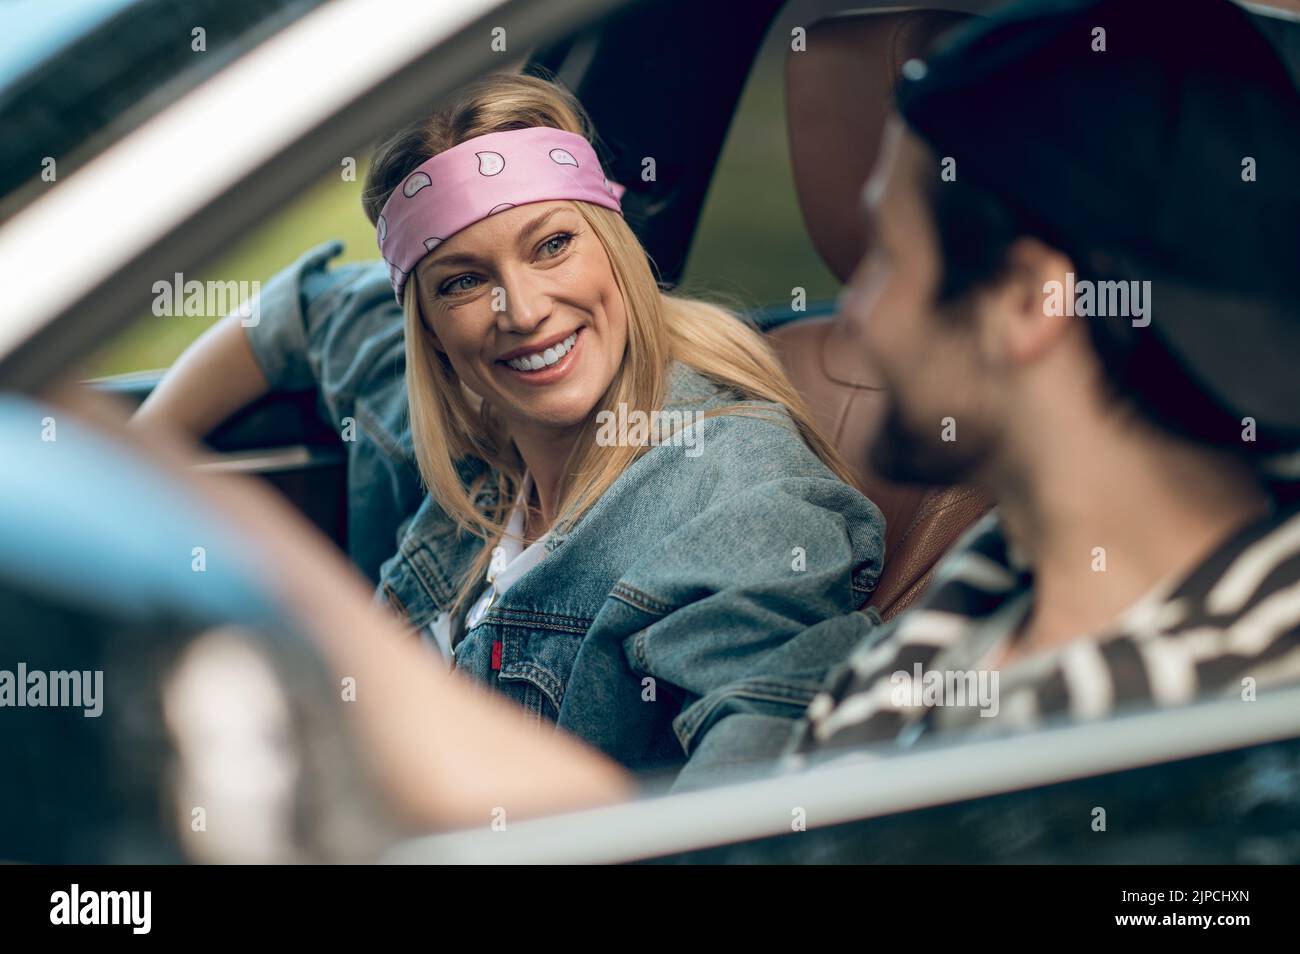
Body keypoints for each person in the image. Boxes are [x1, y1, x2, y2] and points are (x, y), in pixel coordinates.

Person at [134, 72, 885, 774]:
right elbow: (297, 313)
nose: (521, 311)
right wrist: (136, 454)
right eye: (464, 280)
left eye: (552, 245)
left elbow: (758, 787)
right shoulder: (454, 415)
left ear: (614, 248)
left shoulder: (739, 497)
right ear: (427, 327)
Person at [676, 0, 1300, 782]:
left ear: (1024, 302)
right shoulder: (1004, 577)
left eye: (887, 261)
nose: (859, 315)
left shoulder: (1201, 742)